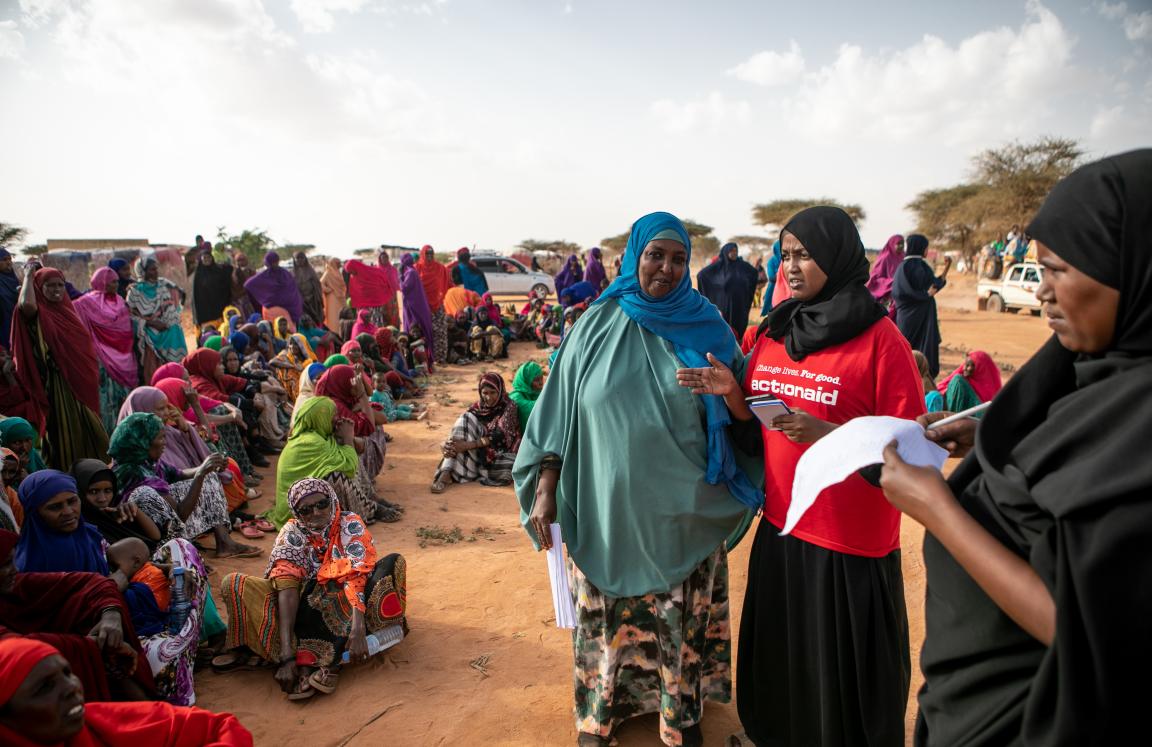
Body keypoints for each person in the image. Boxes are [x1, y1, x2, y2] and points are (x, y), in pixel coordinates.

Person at [879, 149, 1152, 745]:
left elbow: (1085, 626)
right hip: (974, 700)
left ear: (1134, 269)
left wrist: (939, 512)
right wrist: (993, 436)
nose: (1044, 294)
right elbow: (1078, 451)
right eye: (1039, 271)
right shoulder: (1093, 372)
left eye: (1058, 271)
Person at [676, 206, 921, 747]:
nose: (791, 266)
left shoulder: (882, 341)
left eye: (805, 255)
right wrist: (733, 395)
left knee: (840, 677)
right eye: (785, 255)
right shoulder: (773, 331)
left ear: (836, 258)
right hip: (785, 525)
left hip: (850, 544)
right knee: (787, 660)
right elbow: (756, 432)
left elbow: (912, 450)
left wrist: (830, 432)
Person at [514, 212, 756, 747]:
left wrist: (730, 394)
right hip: (606, 511)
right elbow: (557, 417)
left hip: (681, 513)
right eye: (655, 256)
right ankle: (598, 715)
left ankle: (679, 714)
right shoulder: (592, 327)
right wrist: (547, 488)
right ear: (634, 256)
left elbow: (746, 422)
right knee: (604, 622)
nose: (666, 269)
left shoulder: (708, 326)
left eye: (677, 259)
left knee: (675, 618)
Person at [217, 478, 407, 702]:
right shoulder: (292, 532)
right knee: (234, 583)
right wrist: (287, 656)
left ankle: (321, 661)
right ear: (297, 513)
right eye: (305, 510)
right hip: (302, 610)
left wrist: (357, 630)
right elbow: (286, 584)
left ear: (332, 500)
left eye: (322, 504)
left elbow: (356, 576)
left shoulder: (349, 523)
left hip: (349, 604)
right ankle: (296, 656)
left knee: (387, 566)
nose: (316, 512)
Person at [0, 637, 253, 746]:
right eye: (44, 687)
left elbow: (222, 728)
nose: (71, 688)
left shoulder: (100, 721)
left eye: (67, 673)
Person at [0, 528, 156, 702]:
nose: (15, 569)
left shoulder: (90, 535)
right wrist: (92, 645)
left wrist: (111, 613)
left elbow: (92, 582)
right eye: (5, 564)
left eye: (71, 501)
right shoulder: (33, 554)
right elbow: (15, 649)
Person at [107, 412, 260, 559]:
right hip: (145, 536)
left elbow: (178, 474)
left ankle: (224, 543)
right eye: (160, 438)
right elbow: (180, 516)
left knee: (209, 477)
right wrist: (200, 474)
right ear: (143, 442)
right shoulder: (137, 473)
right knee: (203, 478)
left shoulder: (144, 460)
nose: (165, 442)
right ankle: (175, 556)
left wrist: (206, 468)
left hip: (160, 521)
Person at [11, 263, 110, 468]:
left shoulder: (68, 313)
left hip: (82, 381)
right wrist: (29, 274)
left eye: (60, 285)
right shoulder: (39, 313)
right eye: (50, 285)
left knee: (92, 428)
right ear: (39, 288)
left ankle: (94, 472)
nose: (56, 290)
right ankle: (69, 474)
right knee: (66, 432)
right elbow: (26, 306)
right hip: (58, 384)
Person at [265, 395, 392, 527]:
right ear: (320, 418)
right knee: (336, 476)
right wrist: (348, 438)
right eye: (332, 415)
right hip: (300, 509)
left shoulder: (320, 435)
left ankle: (371, 498)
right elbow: (350, 467)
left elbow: (359, 450)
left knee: (345, 453)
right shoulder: (311, 442)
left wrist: (348, 438)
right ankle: (370, 510)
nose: (336, 419)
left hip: (310, 496)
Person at [314, 365, 396, 517]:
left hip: (329, 453)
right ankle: (369, 507)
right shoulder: (333, 405)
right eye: (350, 381)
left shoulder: (340, 398)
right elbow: (368, 426)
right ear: (340, 383)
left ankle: (370, 496)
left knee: (357, 447)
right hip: (324, 461)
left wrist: (362, 397)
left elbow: (380, 418)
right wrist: (362, 395)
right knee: (354, 450)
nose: (354, 385)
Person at [73, 267, 141, 436]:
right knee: (107, 402)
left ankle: (128, 434)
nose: (116, 284)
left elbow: (127, 328)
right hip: (102, 359)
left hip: (125, 357)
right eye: (112, 281)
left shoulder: (120, 301)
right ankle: (108, 436)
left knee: (124, 400)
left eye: (117, 281)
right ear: (101, 281)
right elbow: (77, 324)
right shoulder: (85, 303)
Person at [431, 373, 521, 493]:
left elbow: (500, 436)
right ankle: (446, 473)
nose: (488, 398)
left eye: (493, 392)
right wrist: (446, 445)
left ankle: (457, 470)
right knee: (465, 418)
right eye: (485, 393)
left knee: (512, 466)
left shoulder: (509, 406)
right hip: (479, 450)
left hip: (500, 453)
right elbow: (461, 430)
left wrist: (467, 445)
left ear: (500, 391)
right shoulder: (477, 407)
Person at [892, 234, 951, 378]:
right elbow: (901, 293)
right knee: (907, 350)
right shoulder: (907, 267)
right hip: (910, 316)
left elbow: (933, 286)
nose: (927, 250)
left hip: (923, 317)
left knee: (921, 349)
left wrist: (947, 268)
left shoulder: (916, 266)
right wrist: (924, 296)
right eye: (926, 247)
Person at [126, 253, 188, 368]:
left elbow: (169, 309)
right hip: (147, 332)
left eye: (156, 269)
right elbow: (130, 316)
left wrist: (167, 323)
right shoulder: (134, 292)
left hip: (168, 330)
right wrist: (152, 323)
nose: (156, 272)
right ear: (142, 271)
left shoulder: (161, 286)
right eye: (152, 270)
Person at [696, 242, 760, 336]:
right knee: (723, 328)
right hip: (723, 305)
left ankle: (737, 345)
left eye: (736, 251)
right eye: (731, 251)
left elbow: (754, 273)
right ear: (725, 252)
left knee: (737, 328)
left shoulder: (742, 265)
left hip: (738, 304)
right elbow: (701, 275)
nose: (734, 253)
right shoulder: (718, 266)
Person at [345, 249, 401, 329]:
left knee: (381, 321)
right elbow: (358, 290)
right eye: (350, 272)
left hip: (382, 300)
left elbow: (376, 285)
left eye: (352, 271)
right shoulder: (356, 275)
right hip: (369, 303)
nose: (351, 273)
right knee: (371, 321)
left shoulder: (371, 271)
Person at [244, 252, 303, 327]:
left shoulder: (283, 274)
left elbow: (293, 292)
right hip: (278, 310)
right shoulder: (282, 274)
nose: (275, 264)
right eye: (273, 262)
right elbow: (248, 284)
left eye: (275, 262)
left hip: (285, 309)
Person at [415, 245, 452, 365]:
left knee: (440, 331)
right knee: (425, 332)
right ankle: (427, 359)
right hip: (423, 306)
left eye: (431, 253)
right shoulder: (417, 268)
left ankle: (440, 358)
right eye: (427, 254)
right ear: (422, 254)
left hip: (438, 305)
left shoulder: (440, 268)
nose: (430, 256)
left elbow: (446, 283)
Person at [399, 253, 436, 368]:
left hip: (413, 309)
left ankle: (422, 363)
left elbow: (404, 288)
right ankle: (422, 363)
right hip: (416, 307)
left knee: (416, 333)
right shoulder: (412, 271)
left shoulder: (410, 273)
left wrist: (400, 278)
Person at [935, 350, 1002, 414]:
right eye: (965, 364)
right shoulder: (966, 379)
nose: (964, 368)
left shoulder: (990, 389)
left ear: (980, 368)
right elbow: (941, 388)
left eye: (969, 365)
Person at [190, 250, 235, 329]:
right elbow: (195, 295)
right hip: (205, 312)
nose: (207, 259)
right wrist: (197, 318)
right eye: (204, 258)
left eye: (209, 257)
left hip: (219, 309)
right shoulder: (198, 275)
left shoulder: (218, 270)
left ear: (212, 258)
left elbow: (227, 275)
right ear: (201, 259)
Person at [866, 234, 905, 314]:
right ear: (892, 244)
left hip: (901, 296)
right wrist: (892, 282)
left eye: (903, 243)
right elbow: (875, 279)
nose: (901, 246)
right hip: (886, 298)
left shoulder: (903, 257)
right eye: (898, 243)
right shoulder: (885, 258)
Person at [508, 360, 544, 430]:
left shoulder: (537, 393)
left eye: (541, 378)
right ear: (526, 381)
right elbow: (535, 407)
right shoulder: (515, 397)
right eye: (536, 380)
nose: (541, 383)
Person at [292, 252, 324, 325]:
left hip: (313, 301)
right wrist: (301, 298)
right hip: (300, 302)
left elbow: (317, 285)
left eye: (302, 258)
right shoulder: (292, 273)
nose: (300, 260)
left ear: (305, 259)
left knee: (315, 320)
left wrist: (311, 296)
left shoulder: (311, 271)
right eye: (297, 258)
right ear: (294, 260)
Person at [319, 257, 347, 335]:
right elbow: (320, 284)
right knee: (334, 318)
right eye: (337, 263)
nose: (339, 265)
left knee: (342, 315)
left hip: (340, 298)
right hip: (332, 299)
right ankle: (335, 333)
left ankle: (343, 332)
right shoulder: (328, 273)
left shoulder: (338, 272)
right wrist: (329, 290)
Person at [0, 248, 19, 350]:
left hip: (18, 324)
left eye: (9, 259)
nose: (8, 262)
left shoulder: (15, 279)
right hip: (3, 327)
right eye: (4, 259)